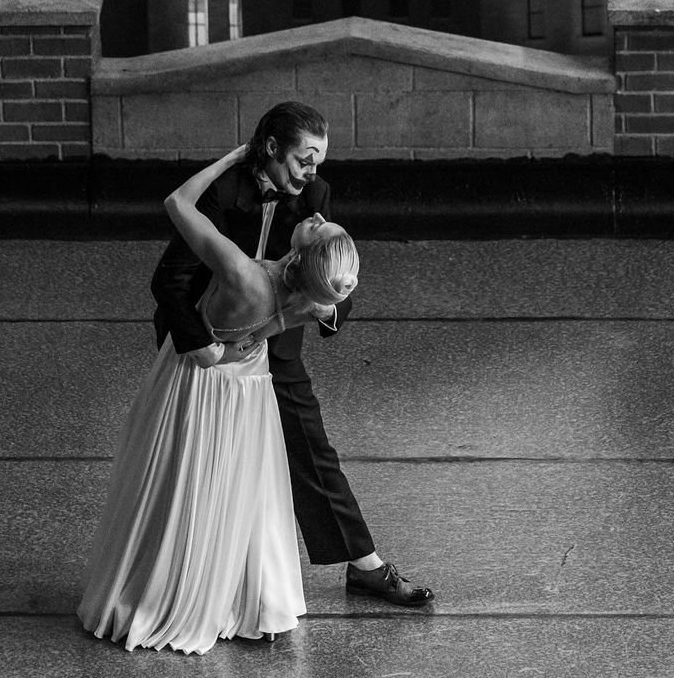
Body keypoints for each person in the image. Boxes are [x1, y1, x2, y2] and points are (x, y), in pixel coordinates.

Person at [78, 142, 360, 653]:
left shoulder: (243, 272)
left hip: (202, 384)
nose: (317, 214)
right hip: (249, 391)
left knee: (184, 485)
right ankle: (239, 598)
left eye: (321, 227)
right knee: (241, 495)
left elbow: (176, 203)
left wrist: (227, 158)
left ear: (304, 253)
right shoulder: (303, 301)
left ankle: (170, 595)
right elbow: (283, 312)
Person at [150, 101, 434, 607]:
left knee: (311, 448)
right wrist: (204, 349)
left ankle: (365, 567)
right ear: (272, 148)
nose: (313, 172)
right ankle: (193, 582)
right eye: (305, 158)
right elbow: (171, 280)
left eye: (319, 160)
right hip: (207, 343)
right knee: (201, 464)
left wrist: (325, 310)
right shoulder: (223, 192)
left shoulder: (315, 197)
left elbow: (331, 268)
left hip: (276, 343)